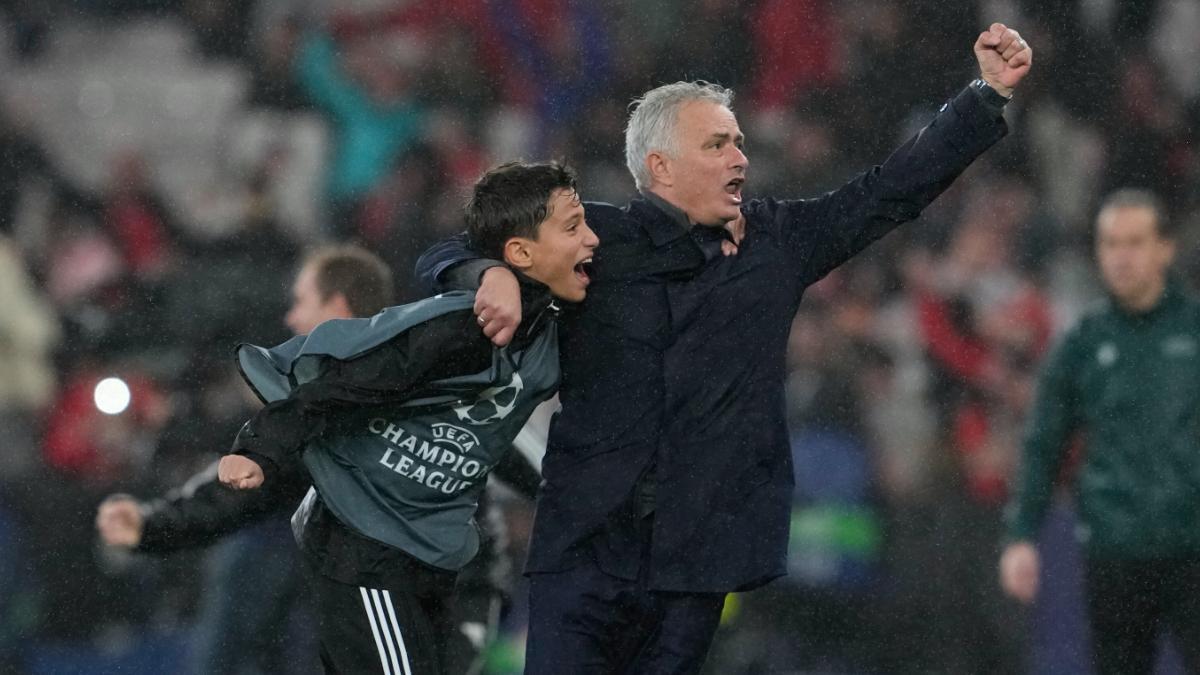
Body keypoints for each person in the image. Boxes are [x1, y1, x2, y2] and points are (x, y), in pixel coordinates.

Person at [419, 23, 1031, 672]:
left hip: (700, 555)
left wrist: (983, 98)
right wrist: (492, 279)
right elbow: (451, 252)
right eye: (717, 145)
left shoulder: (777, 242)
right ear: (661, 166)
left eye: (738, 142)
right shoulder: (591, 235)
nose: (740, 158)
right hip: (587, 544)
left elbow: (888, 192)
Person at [216, 161, 597, 674]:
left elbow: (506, 449)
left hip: (427, 549)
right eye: (573, 227)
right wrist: (259, 447)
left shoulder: (550, 333)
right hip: (365, 538)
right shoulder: (456, 327)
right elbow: (346, 383)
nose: (592, 238)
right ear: (520, 253)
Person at [96, 244, 540, 674]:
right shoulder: (329, 401)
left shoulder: (416, 369)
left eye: (301, 301)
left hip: (444, 596)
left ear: (337, 306)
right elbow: (248, 482)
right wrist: (154, 525)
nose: (291, 318)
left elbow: (518, 459)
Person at [999, 189, 1200, 674]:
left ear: (1165, 249)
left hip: (1193, 549)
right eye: (1110, 243)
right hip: (1114, 553)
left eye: (1134, 242)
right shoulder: (1082, 343)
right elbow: (1044, 442)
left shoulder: (1194, 330)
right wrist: (1021, 534)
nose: (1121, 257)